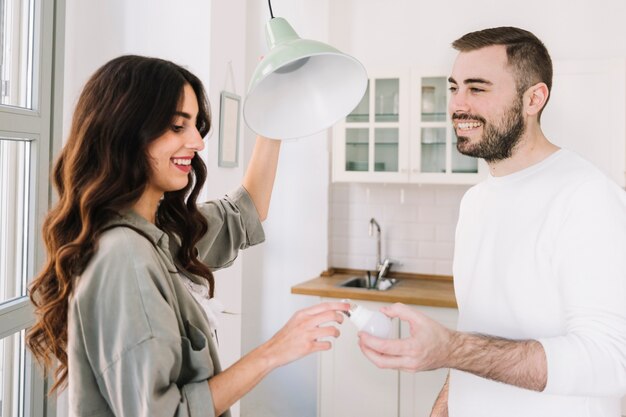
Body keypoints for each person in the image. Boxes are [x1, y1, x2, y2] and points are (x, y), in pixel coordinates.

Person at [26, 55, 349, 417]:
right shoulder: (125, 257)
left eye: (196, 126)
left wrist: (273, 108)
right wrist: (274, 350)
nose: (197, 142)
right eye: (178, 127)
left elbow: (245, 213)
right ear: (126, 132)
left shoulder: (161, 232)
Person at [357, 27, 626, 417]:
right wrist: (445, 406)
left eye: (477, 89)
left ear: (534, 98)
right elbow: (477, 327)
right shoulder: (476, 201)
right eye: (454, 88)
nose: (457, 106)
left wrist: (452, 348)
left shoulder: (587, 196)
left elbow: (612, 360)